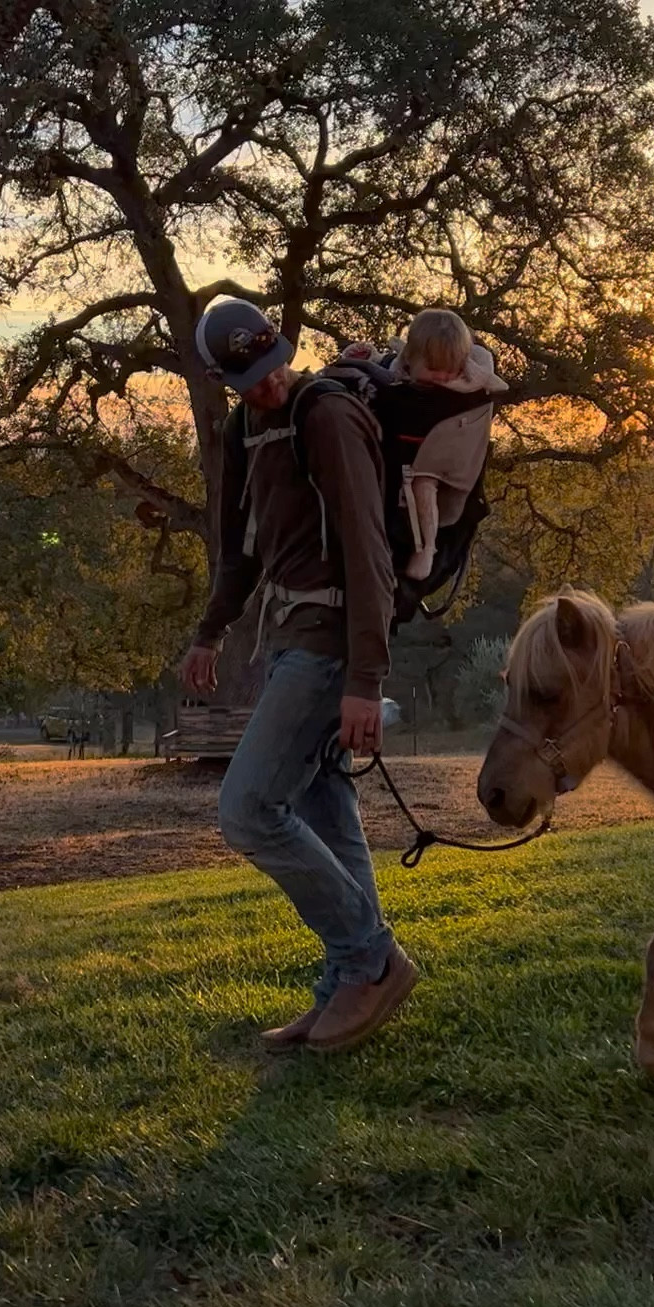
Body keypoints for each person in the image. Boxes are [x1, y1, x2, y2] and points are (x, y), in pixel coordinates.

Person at [179, 298, 418, 1055]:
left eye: (270, 366)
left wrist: (364, 677)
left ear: (283, 347)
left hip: (329, 646)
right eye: (247, 378)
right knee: (323, 808)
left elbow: (368, 551)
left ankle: (373, 959)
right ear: (223, 378)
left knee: (248, 810)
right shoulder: (244, 428)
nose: (265, 385)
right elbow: (237, 550)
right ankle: (348, 979)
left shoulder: (326, 413)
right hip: (285, 639)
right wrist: (210, 632)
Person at [342, 308, 506, 581]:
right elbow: (384, 369)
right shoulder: (398, 374)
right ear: (410, 358)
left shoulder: (468, 388)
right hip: (392, 467)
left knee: (424, 485)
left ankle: (426, 549)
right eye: (433, 369)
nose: (442, 377)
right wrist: (363, 358)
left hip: (438, 469)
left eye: (449, 371)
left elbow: (487, 387)